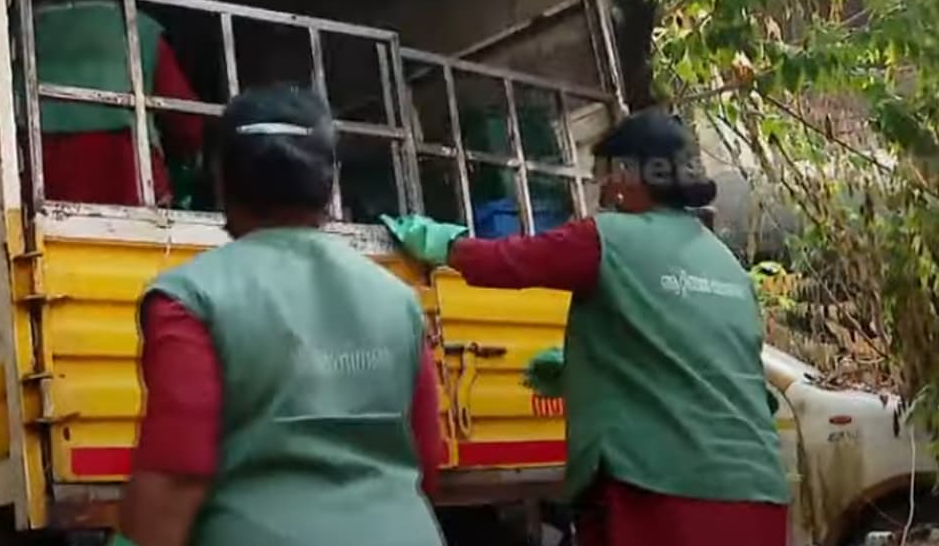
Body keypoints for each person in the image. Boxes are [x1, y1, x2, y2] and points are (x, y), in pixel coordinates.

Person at [382, 109, 790, 546]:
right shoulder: (726, 263)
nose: (603, 188)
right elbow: (727, 369)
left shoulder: (607, 237)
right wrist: (588, 371)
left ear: (634, 174)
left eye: (608, 175)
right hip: (758, 491)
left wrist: (441, 243)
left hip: (663, 490)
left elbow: (508, 260)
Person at [115, 85, 444, 546]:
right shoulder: (399, 300)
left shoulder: (189, 298)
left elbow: (176, 476)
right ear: (328, 184)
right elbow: (428, 460)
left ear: (221, 178)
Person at [35, 0, 204, 206]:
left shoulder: (21, 29)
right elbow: (186, 121)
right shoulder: (137, 27)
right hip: (134, 188)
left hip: (45, 192)